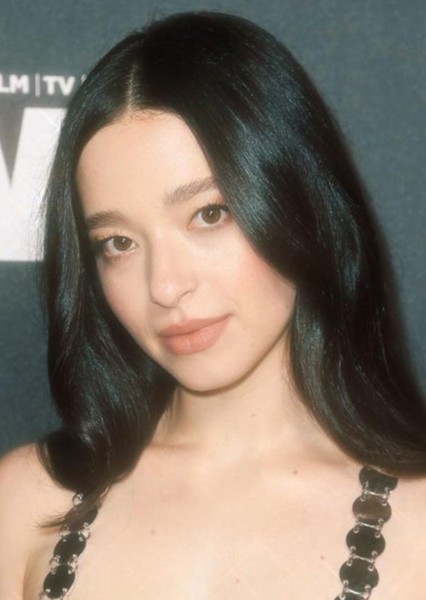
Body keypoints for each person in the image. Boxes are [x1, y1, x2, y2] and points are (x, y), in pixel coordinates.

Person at [0, 9, 425, 600]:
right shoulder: (24, 503)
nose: (165, 287)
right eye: (118, 243)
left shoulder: (417, 523)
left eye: (209, 214)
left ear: (298, 202)